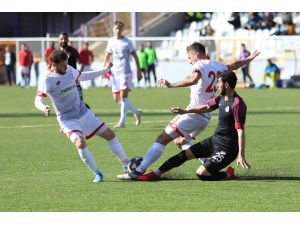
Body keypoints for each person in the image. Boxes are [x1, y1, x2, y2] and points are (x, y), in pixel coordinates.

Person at [117, 42, 259, 180]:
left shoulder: (199, 65)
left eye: (189, 57)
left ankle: (138, 170)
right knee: (180, 141)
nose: (189, 60)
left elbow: (194, 79)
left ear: (196, 54)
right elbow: (235, 65)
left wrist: (171, 84)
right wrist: (249, 58)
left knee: (162, 138)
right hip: (205, 115)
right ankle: (207, 163)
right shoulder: (219, 65)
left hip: (194, 113)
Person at [34, 50, 130, 183]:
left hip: (83, 112)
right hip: (67, 120)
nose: (66, 67)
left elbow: (84, 76)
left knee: (110, 134)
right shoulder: (47, 79)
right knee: (80, 143)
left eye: (67, 64)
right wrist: (43, 107)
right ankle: (97, 173)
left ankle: (127, 164)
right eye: (63, 65)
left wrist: (105, 69)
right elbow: (37, 100)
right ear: (54, 64)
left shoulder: (69, 70)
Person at [138, 71, 250, 181]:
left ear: (226, 84)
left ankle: (228, 175)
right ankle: (156, 173)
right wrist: (185, 111)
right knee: (184, 154)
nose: (217, 85)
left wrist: (241, 155)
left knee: (201, 173)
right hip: (215, 140)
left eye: (219, 82)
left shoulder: (237, 104)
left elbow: (240, 131)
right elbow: (206, 107)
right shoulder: (221, 98)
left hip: (227, 149)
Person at [104, 20, 143, 128]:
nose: (118, 30)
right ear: (113, 29)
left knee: (124, 97)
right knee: (117, 99)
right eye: (116, 28)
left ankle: (122, 122)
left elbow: (135, 56)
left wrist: (138, 71)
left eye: (120, 29)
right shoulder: (111, 41)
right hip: (114, 74)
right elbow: (107, 55)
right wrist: (104, 69)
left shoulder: (127, 42)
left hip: (125, 72)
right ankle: (136, 111)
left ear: (122, 30)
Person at [58, 32, 90, 108]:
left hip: (74, 82)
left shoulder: (73, 51)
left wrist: (78, 76)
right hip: (62, 83)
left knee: (80, 103)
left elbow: (81, 63)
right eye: (61, 39)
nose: (63, 41)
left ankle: (89, 115)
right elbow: (52, 67)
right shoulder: (56, 53)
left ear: (68, 40)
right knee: (65, 105)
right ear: (58, 40)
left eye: (65, 39)